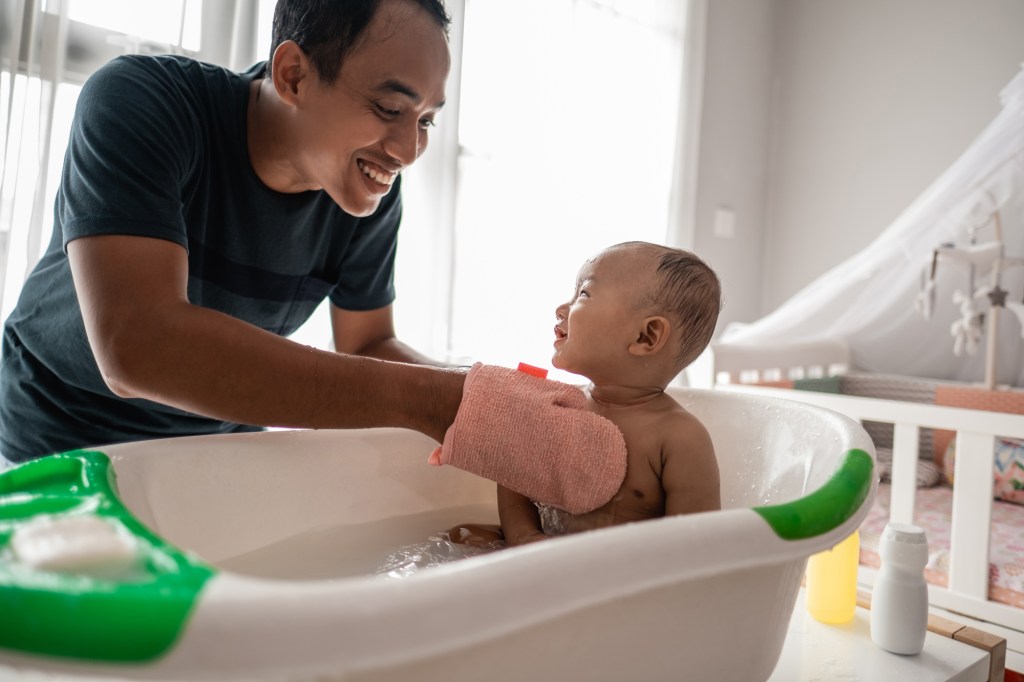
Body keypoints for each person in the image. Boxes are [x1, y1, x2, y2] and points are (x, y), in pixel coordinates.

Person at [0, 0, 467, 463]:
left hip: (218, 442)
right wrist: (428, 398)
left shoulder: (364, 187)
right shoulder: (142, 103)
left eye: (425, 120)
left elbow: (367, 345)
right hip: (57, 434)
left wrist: (486, 389)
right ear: (293, 76)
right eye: (389, 108)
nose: (408, 151)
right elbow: (138, 345)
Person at [450, 241, 722, 547]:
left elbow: (695, 548)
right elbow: (514, 474)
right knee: (460, 536)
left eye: (583, 294)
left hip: (618, 572)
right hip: (547, 550)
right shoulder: (560, 405)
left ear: (646, 336)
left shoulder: (679, 437)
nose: (561, 309)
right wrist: (524, 536)